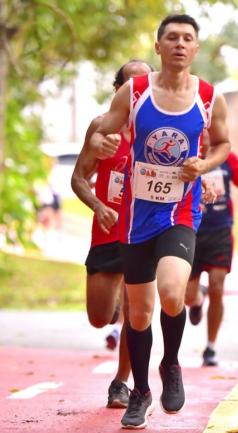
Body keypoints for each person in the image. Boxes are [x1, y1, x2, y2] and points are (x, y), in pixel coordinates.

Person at [89, 14, 231, 429]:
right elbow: (100, 136)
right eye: (172, 37)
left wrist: (204, 163)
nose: (180, 44)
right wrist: (104, 141)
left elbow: (223, 143)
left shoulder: (209, 97)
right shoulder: (133, 93)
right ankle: (141, 391)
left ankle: (170, 364)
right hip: (137, 215)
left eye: (188, 38)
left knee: (172, 294)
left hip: (180, 211)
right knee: (137, 314)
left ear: (196, 48)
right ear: (158, 47)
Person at [71, 60, 153, 408]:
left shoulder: (161, 127)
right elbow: (77, 179)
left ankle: (121, 382)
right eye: (129, 84)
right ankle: (117, 301)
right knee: (99, 317)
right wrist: (98, 205)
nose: (136, 91)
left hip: (145, 230)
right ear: (118, 89)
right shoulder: (102, 127)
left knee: (139, 311)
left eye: (143, 83)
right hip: (107, 231)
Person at [185, 135, 238, 366]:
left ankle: (211, 347)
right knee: (187, 296)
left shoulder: (227, 158)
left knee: (218, 285)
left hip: (220, 232)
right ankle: (198, 299)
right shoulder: (189, 158)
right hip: (191, 230)